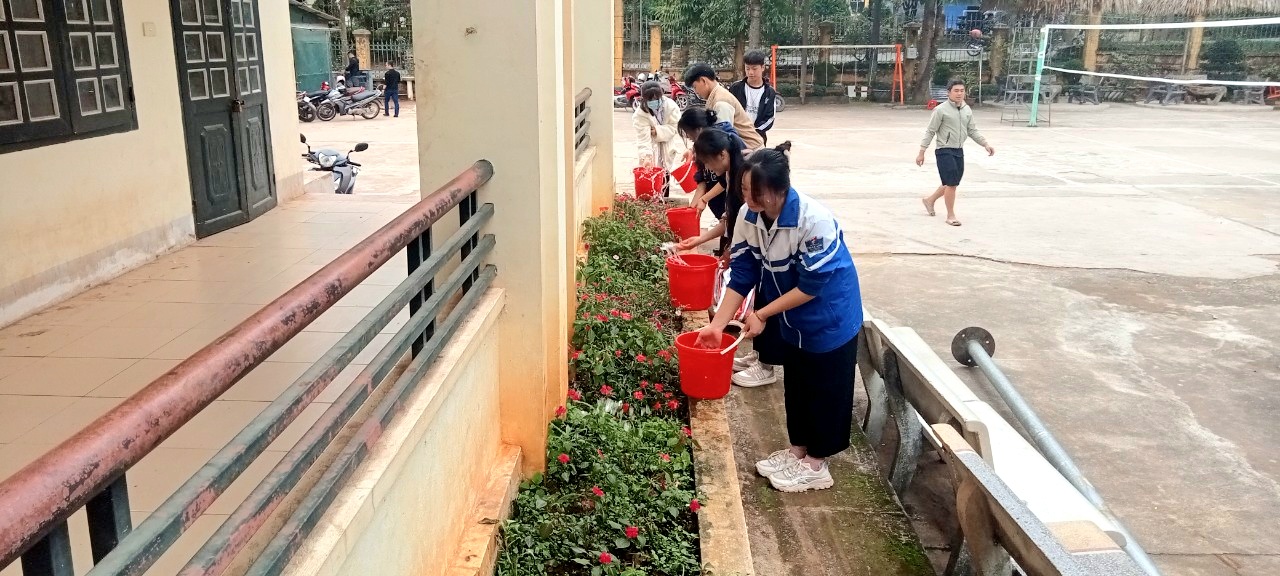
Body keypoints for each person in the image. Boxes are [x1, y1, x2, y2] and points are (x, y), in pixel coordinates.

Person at [696, 149, 863, 492]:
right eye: (744, 189)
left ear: (779, 189)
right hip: (790, 314)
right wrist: (717, 325)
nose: (747, 198)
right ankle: (798, 451)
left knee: (825, 388)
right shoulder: (749, 215)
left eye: (755, 191)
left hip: (829, 313)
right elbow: (743, 272)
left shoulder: (813, 221)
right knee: (797, 383)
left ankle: (817, 465)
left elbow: (812, 286)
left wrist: (762, 314)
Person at [917, 79, 995, 227]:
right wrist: (922, 152)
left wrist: (985, 144)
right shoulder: (940, 110)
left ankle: (929, 200)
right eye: (956, 91)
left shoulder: (966, 110)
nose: (959, 93)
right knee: (952, 183)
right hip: (943, 150)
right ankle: (950, 215)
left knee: (951, 183)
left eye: (962, 91)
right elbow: (930, 131)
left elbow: (972, 130)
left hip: (958, 150)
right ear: (949, 93)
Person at [684, 63, 764, 151]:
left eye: (695, 87)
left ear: (703, 81)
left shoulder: (721, 102)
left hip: (751, 151)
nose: (696, 92)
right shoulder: (716, 95)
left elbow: (722, 139)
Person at [633, 81, 686, 187]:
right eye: (650, 99)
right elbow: (643, 138)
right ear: (644, 99)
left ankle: (664, 195)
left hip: (667, 147)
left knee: (665, 177)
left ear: (661, 95)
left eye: (656, 98)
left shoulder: (671, 107)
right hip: (652, 147)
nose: (653, 101)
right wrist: (646, 157)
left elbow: (675, 126)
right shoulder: (640, 114)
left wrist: (657, 131)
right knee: (651, 178)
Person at [729, 50, 778, 146]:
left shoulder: (769, 92)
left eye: (754, 69)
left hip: (758, 138)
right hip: (736, 137)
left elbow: (770, 118)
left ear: (762, 67)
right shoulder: (736, 87)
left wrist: (754, 131)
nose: (750, 72)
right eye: (747, 68)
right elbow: (729, 110)